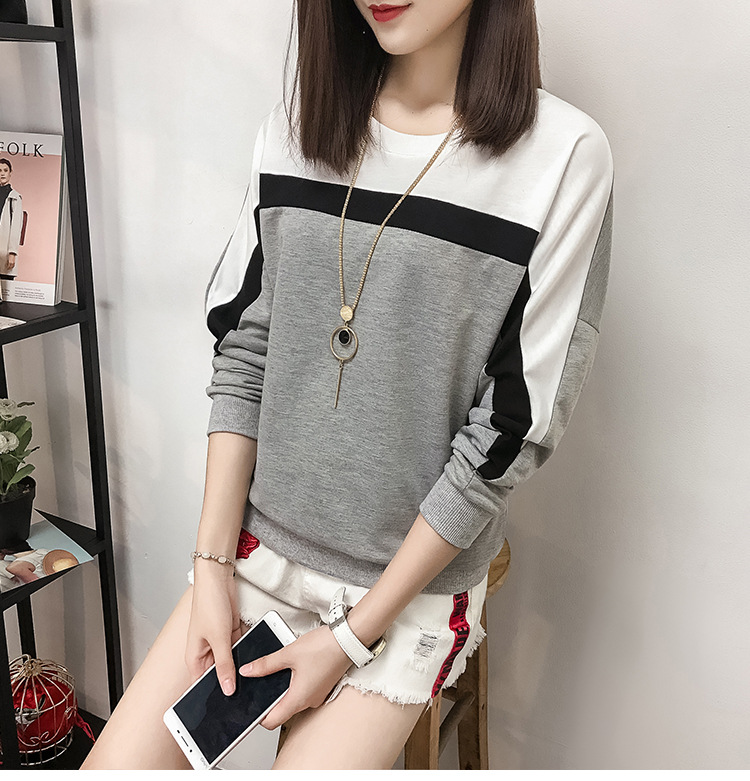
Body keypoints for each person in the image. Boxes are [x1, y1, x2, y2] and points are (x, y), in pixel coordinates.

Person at [82, 0, 614, 770]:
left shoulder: (562, 157)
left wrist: (352, 637)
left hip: (403, 593)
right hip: (257, 553)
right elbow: (246, 348)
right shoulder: (296, 129)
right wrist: (212, 567)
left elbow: (507, 431)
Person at [0, 157, 23, 296]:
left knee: (6, 296)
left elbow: (16, 227)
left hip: (4, 252)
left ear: (10, 172)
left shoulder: (14, 197)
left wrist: (12, 253)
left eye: (5, 170)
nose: (2, 173)